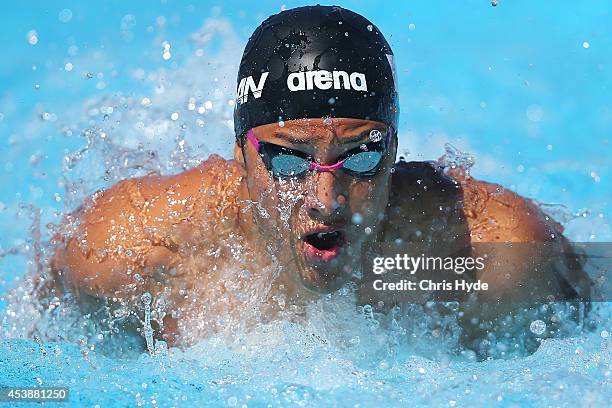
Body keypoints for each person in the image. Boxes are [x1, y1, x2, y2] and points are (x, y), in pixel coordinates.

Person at [48, 6, 590, 348]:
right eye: (287, 160)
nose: (326, 199)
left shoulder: (489, 252)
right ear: (241, 155)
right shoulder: (131, 249)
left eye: (360, 157)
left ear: (395, 151)